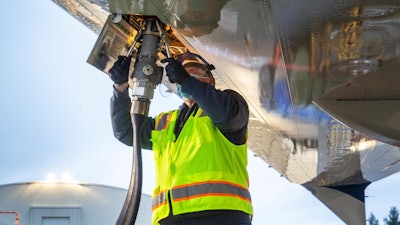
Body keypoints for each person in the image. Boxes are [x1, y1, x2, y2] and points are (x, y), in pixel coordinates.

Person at [109, 52, 253, 225]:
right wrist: (120, 88)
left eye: (192, 73)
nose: (183, 79)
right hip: (169, 218)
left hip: (219, 215)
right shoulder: (166, 121)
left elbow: (226, 114)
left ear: (211, 80)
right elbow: (125, 131)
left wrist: (187, 81)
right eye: (181, 76)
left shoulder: (229, 105)